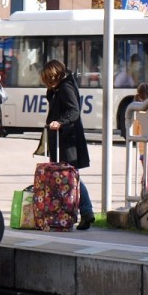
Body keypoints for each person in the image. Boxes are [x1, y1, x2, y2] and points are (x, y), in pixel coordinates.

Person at [40, 59, 95, 230]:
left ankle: (85, 211)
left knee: (70, 177)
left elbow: (74, 111)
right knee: (68, 177)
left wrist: (60, 122)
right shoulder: (60, 88)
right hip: (62, 140)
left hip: (67, 141)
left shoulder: (66, 87)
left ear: (54, 75)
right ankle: (79, 212)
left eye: (48, 79)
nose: (47, 83)